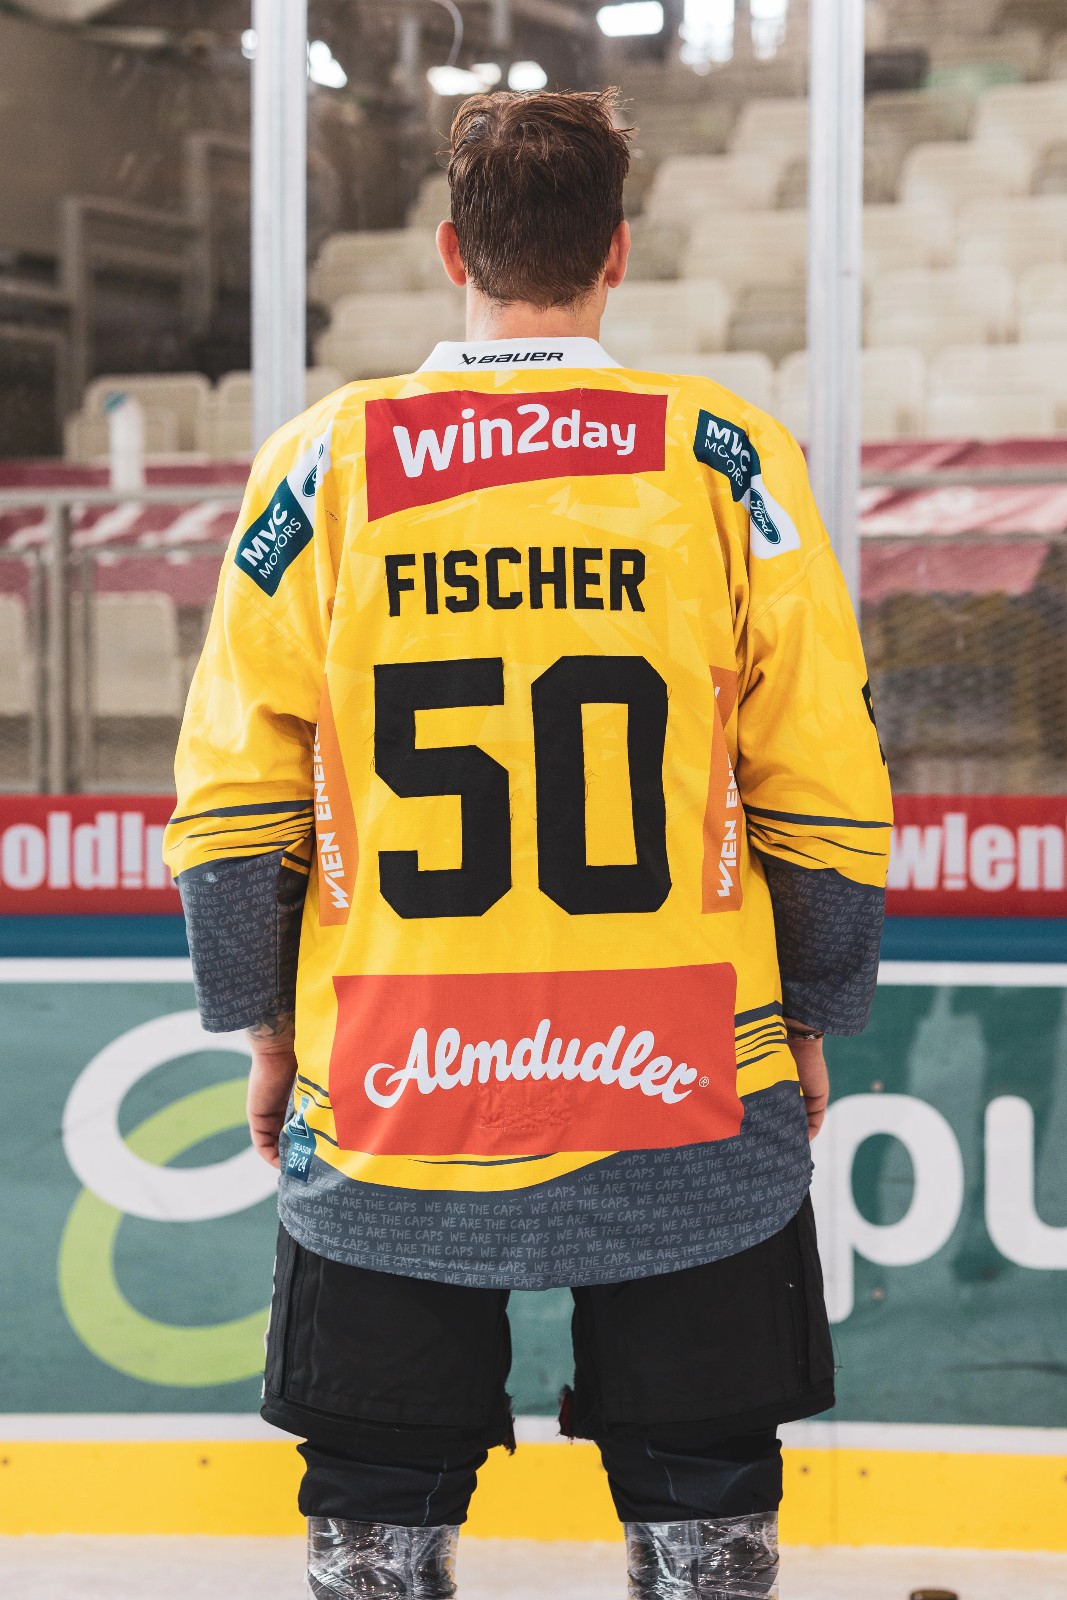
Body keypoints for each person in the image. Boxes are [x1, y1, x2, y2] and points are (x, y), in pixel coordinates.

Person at [165, 88, 892, 1600]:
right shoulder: (724, 458)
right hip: (692, 1079)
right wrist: (815, 1010)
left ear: (451, 252)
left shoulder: (320, 465)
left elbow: (235, 795)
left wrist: (262, 1028)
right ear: (616, 253)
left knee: (372, 1535)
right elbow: (823, 778)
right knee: (708, 1534)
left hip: (391, 1079)